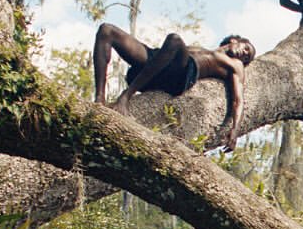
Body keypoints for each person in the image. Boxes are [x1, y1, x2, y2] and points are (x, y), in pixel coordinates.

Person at [92, 24, 256, 152]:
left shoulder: (235, 65)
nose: (244, 55)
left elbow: (238, 100)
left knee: (175, 40)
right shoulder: (208, 49)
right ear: (236, 40)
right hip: (158, 62)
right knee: (106, 31)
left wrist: (235, 130)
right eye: (246, 48)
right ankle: (99, 99)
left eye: (247, 57)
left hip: (181, 75)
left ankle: (125, 97)